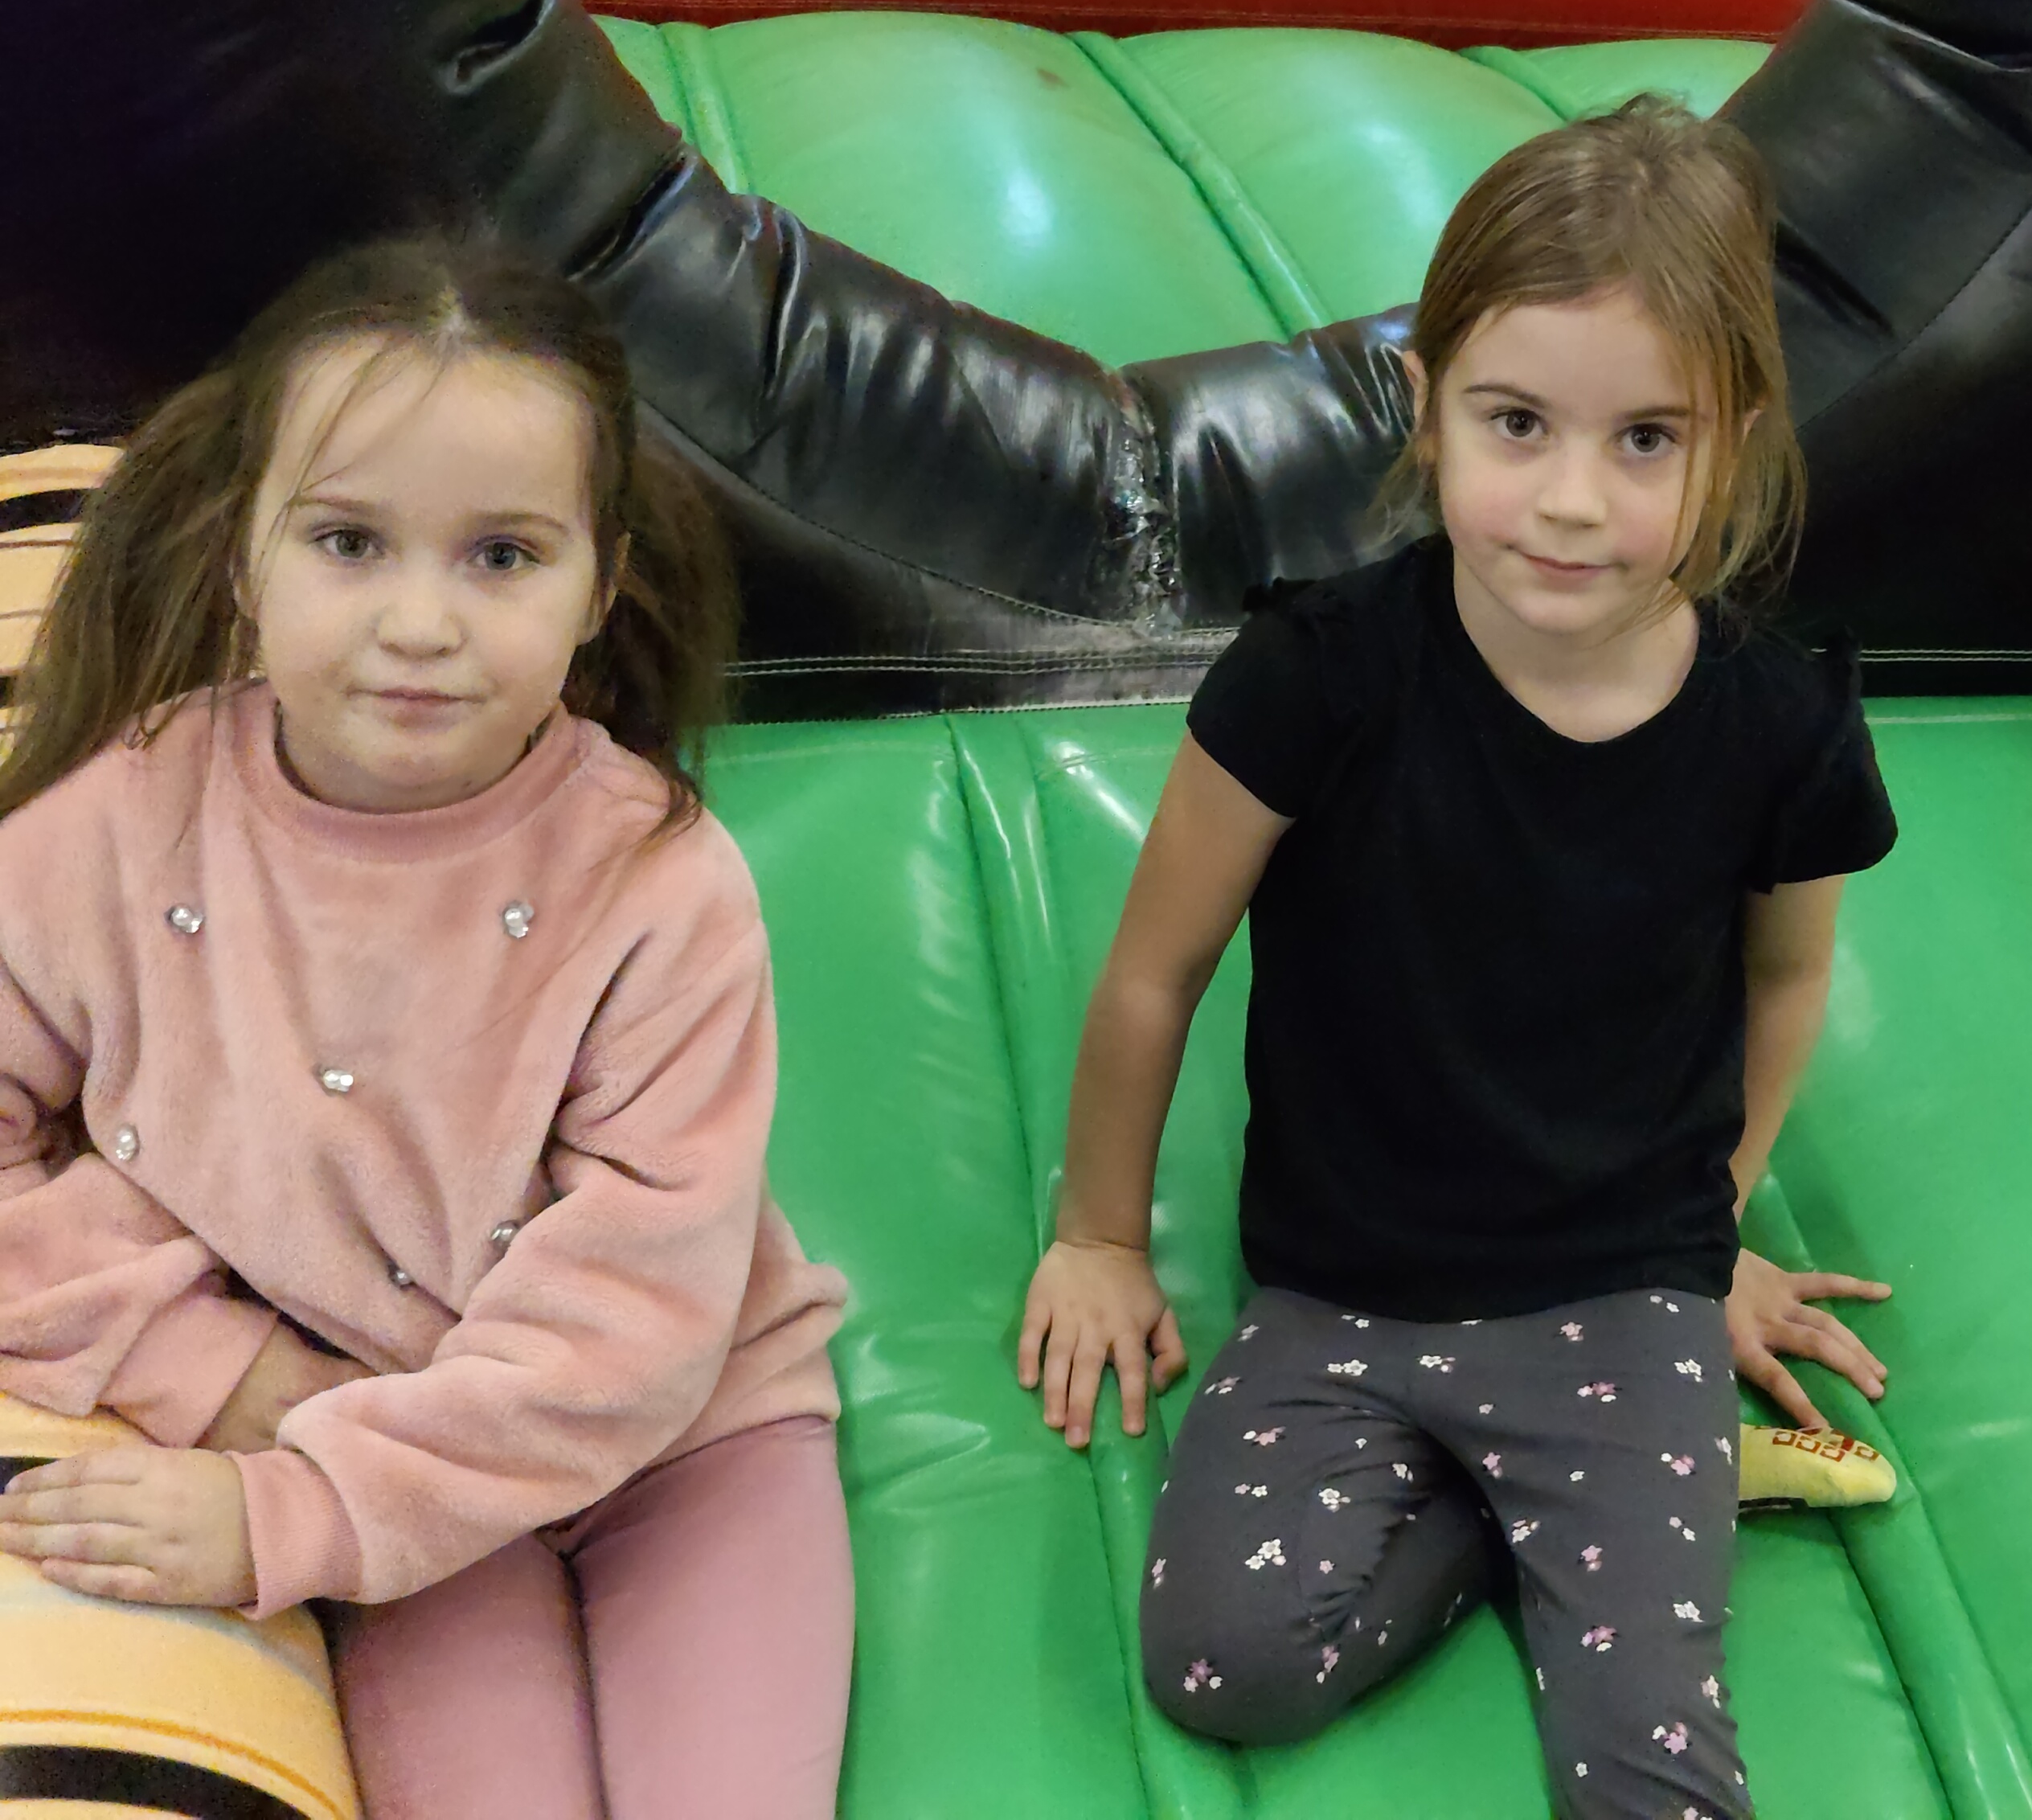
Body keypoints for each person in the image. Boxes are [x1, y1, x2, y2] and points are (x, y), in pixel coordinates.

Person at [1016, 97, 1898, 1818]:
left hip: (1616, 1287)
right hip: (1342, 1288)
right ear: (1428, 409)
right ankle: (1561, 1515)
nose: (1570, 500)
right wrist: (1100, 1237)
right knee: (1225, 1664)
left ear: (1731, 445)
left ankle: (1650, 1480)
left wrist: (1712, 1225)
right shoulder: (1320, 676)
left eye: (1646, 441)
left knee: (1650, 1771)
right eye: (1517, 424)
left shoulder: (1777, 727)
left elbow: (1786, 980)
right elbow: (1154, 969)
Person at [0, 240, 854, 1820]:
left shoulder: (660, 885)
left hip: (686, 1450)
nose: (418, 622)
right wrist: (210, 1364)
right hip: (373, 1463)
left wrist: (285, 1511)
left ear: (599, 586)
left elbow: (630, 1324)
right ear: (243, 554)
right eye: (349, 542)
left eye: (502, 557)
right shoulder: (128, 819)